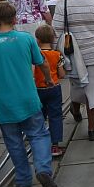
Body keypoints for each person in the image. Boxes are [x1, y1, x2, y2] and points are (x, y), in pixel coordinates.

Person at [0, 2, 57, 187]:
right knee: (38, 134)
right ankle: (43, 169)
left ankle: (23, 179)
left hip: (4, 104)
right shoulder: (26, 39)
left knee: (14, 143)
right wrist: (47, 79)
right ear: (15, 19)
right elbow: (42, 63)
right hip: (28, 99)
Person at [52, 0, 94, 140]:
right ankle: (92, 128)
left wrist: (56, 54)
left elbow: (56, 29)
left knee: (76, 85)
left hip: (72, 54)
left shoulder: (63, 2)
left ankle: (75, 109)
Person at [34, 23, 66, 157]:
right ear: (53, 39)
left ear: (38, 40)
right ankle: (55, 145)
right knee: (55, 116)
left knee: (39, 116)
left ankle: (39, 142)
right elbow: (62, 74)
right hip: (54, 88)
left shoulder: (35, 55)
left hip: (38, 89)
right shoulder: (57, 55)